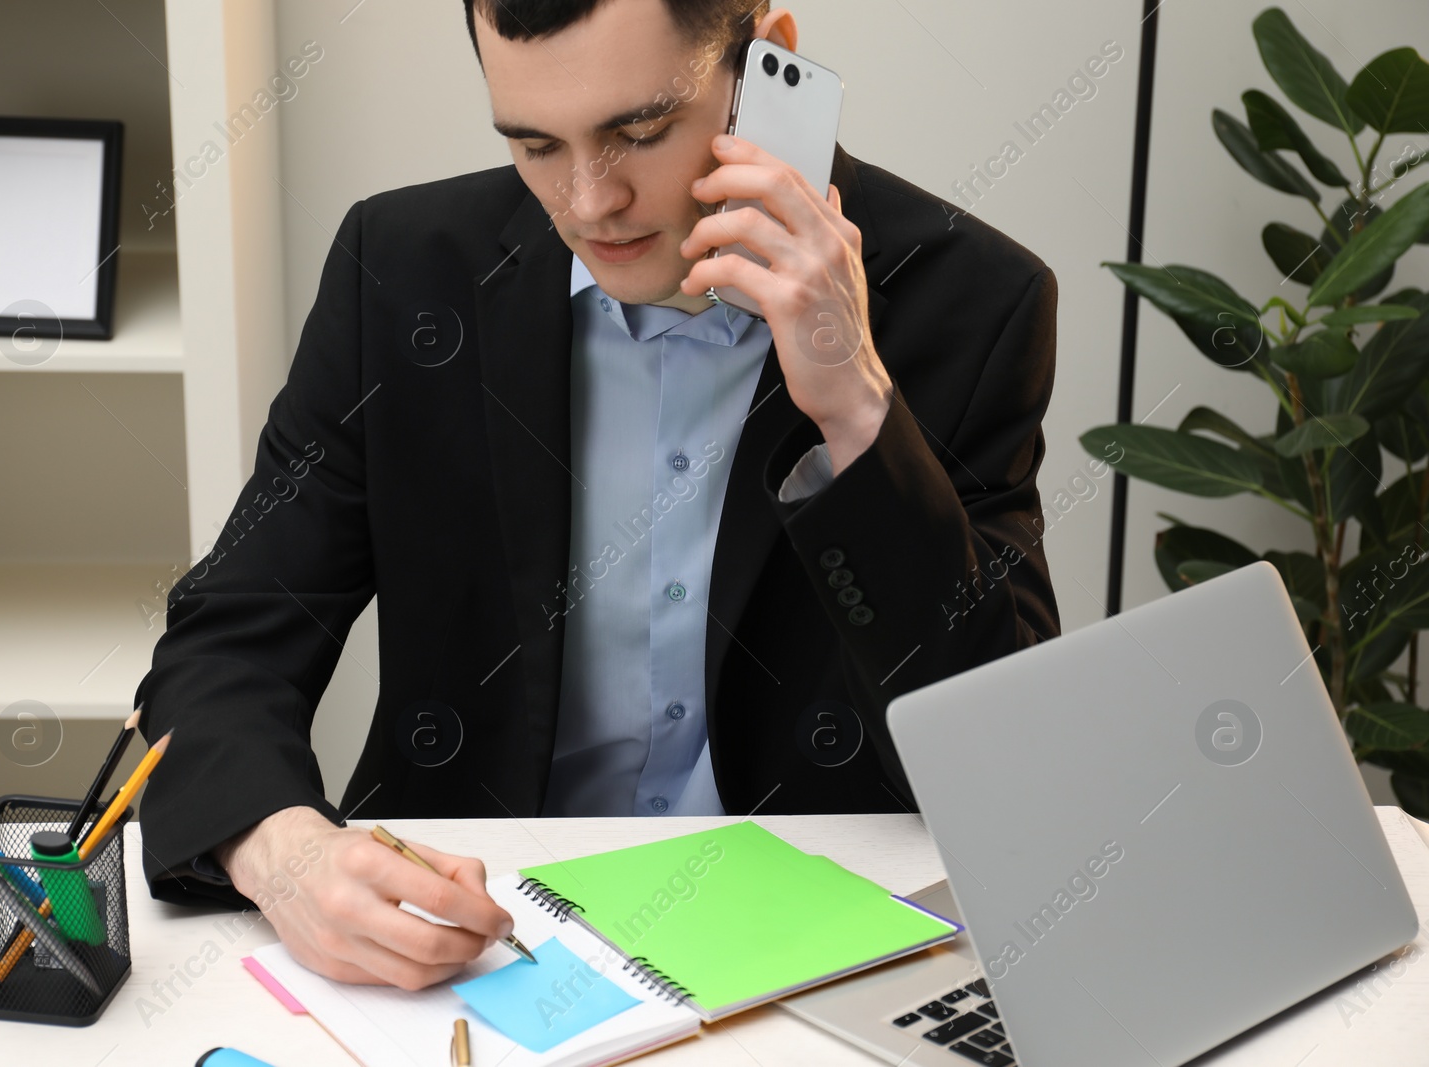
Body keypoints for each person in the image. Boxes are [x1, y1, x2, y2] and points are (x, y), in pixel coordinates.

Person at [134, 0, 1059, 992]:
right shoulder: (400, 272)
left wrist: (859, 410)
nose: (587, 202)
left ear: (768, 63)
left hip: (818, 957)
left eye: (639, 132)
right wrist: (285, 856)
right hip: (475, 952)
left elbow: (999, 764)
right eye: (534, 144)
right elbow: (229, 637)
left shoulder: (972, 298)